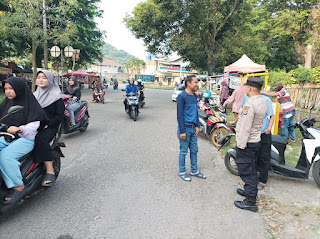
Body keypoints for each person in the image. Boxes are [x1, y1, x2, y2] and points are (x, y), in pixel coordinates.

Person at [0, 77, 47, 204]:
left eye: (11, 88)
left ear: (19, 89)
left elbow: (34, 125)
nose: (8, 92)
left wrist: (20, 128)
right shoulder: (6, 103)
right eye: (6, 89)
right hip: (7, 136)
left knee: (5, 156)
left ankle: (17, 185)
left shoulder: (29, 103)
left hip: (25, 138)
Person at [229, 89, 275, 190]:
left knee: (264, 157)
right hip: (251, 135)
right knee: (251, 158)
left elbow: (272, 116)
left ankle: (263, 180)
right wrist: (234, 121)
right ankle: (252, 181)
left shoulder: (266, 100)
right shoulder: (246, 97)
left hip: (263, 133)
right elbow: (241, 112)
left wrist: (269, 128)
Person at [234, 77, 267, 212]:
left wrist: (240, 145)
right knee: (251, 168)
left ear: (249, 88)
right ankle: (249, 191)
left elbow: (245, 127)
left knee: (246, 170)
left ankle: (250, 202)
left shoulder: (250, 104)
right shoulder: (262, 101)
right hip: (255, 140)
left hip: (247, 142)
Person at [33, 70, 65, 187]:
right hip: (34, 126)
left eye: (44, 78)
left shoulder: (56, 97)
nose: (41, 80)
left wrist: (48, 124)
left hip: (51, 127)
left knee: (40, 139)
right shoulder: (34, 96)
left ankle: (49, 170)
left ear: (50, 80)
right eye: (39, 77)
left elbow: (59, 116)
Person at [177, 75, 206, 181]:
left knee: (194, 151)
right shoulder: (182, 96)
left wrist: (198, 126)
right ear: (188, 83)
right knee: (183, 151)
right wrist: (182, 131)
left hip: (194, 129)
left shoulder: (194, 96)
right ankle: (182, 171)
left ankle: (194, 170)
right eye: (195, 82)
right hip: (185, 128)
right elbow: (179, 115)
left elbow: (195, 112)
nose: (197, 84)